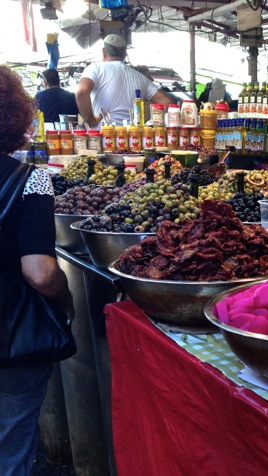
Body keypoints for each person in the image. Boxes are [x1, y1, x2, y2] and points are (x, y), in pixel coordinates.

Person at [0, 65, 75, 476]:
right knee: (10, 446)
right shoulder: (31, 180)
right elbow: (41, 273)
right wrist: (68, 301)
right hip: (12, 336)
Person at [76, 34, 172, 128]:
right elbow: (167, 103)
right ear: (125, 55)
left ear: (104, 52)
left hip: (103, 137)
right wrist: (150, 124)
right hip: (132, 137)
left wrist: (90, 121)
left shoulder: (95, 69)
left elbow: (82, 92)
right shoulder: (140, 77)